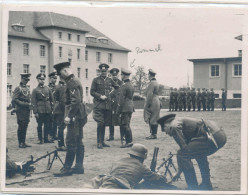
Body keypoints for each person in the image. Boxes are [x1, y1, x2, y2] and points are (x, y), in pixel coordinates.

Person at [157, 114, 227, 190]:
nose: (167, 133)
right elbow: (187, 150)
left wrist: (179, 171)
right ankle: (206, 184)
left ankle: (192, 186)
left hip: (213, 136)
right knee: (198, 154)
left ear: (166, 125)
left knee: (182, 154)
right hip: (218, 134)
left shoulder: (173, 126)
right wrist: (179, 172)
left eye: (164, 130)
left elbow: (183, 152)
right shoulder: (180, 123)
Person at [53, 62, 87, 176]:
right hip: (79, 115)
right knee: (78, 141)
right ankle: (78, 166)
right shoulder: (73, 81)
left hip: (75, 116)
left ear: (65, 71)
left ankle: (67, 168)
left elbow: (75, 101)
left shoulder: (71, 82)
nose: (60, 77)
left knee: (71, 141)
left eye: (60, 74)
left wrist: (69, 116)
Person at [87, 143, 167, 189]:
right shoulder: (142, 167)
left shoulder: (118, 161)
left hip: (104, 181)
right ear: (143, 157)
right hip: (120, 186)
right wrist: (159, 174)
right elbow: (159, 179)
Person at [90, 63, 120, 149]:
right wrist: (100, 96)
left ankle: (102, 141)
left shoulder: (110, 80)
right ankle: (99, 142)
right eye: (102, 71)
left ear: (107, 71)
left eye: (105, 71)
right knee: (100, 123)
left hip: (107, 106)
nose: (103, 72)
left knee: (104, 124)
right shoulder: (95, 80)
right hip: (99, 105)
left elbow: (118, 87)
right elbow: (92, 92)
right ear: (100, 71)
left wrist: (111, 95)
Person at [31, 73, 54, 144]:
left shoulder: (48, 89)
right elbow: (33, 102)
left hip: (47, 109)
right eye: (41, 79)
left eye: (43, 79)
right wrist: (35, 112)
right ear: (37, 80)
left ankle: (46, 138)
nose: (42, 81)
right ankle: (40, 139)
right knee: (40, 125)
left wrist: (52, 109)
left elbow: (52, 100)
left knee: (47, 125)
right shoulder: (35, 90)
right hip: (40, 110)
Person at [12, 73, 32, 148]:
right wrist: (24, 104)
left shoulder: (27, 88)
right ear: (22, 79)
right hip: (20, 110)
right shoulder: (18, 88)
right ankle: (20, 142)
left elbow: (28, 98)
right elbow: (15, 99)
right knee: (21, 126)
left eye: (27, 80)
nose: (26, 81)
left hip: (26, 110)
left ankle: (23, 142)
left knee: (25, 125)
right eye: (25, 80)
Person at [116, 68, 134, 148]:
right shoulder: (131, 85)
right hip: (130, 107)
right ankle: (129, 141)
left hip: (125, 108)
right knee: (127, 124)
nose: (121, 76)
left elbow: (121, 100)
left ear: (124, 75)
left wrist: (118, 110)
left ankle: (129, 142)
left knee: (125, 125)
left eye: (121, 75)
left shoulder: (124, 86)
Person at [144, 69, 161, 139]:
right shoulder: (156, 82)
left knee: (151, 117)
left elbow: (149, 95)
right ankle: (154, 133)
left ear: (150, 75)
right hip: (157, 101)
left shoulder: (151, 83)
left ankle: (153, 134)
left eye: (148, 74)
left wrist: (147, 104)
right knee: (155, 117)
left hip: (152, 101)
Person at [107, 68, 123, 141]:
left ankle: (123, 136)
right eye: (113, 75)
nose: (114, 76)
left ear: (118, 75)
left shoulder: (121, 83)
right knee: (111, 120)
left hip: (118, 104)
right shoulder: (109, 83)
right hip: (111, 104)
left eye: (116, 75)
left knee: (121, 120)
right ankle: (111, 136)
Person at [53, 78, 67, 151]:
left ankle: (61, 144)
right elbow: (62, 100)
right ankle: (61, 145)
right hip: (61, 110)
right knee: (61, 127)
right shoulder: (61, 87)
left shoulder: (60, 86)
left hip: (60, 109)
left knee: (61, 127)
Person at [48, 71, 58, 141]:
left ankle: (55, 134)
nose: (55, 80)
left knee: (56, 121)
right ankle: (50, 135)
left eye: (56, 78)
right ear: (50, 78)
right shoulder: (48, 87)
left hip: (56, 106)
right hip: (50, 106)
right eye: (54, 78)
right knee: (50, 121)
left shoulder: (57, 87)